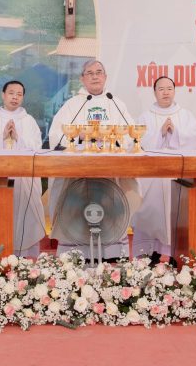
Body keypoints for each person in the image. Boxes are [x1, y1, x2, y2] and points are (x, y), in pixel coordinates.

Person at [48, 59, 140, 260]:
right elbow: (56, 135)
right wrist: (79, 135)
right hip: (78, 173)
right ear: (82, 79)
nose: (95, 76)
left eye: (99, 72)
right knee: (77, 209)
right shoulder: (73, 104)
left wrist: (111, 138)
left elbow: (131, 135)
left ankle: (111, 254)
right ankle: (75, 253)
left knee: (110, 207)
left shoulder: (115, 103)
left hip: (110, 172)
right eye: (89, 73)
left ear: (105, 77)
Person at [132, 76, 196, 264]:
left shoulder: (185, 115)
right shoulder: (145, 116)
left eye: (169, 88)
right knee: (152, 211)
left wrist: (176, 133)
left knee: (176, 213)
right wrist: (160, 133)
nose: (166, 92)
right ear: (154, 92)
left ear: (174, 91)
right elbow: (137, 142)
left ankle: (176, 253)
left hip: (177, 175)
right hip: (153, 176)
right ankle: (150, 253)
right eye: (161, 89)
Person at [0, 80, 45, 257]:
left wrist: (18, 138)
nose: (15, 97)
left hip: (24, 179)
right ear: (3, 95)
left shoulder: (29, 121)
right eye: (11, 93)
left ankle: (23, 255)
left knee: (24, 215)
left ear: (23, 97)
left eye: (19, 94)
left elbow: (37, 147)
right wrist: (1, 137)